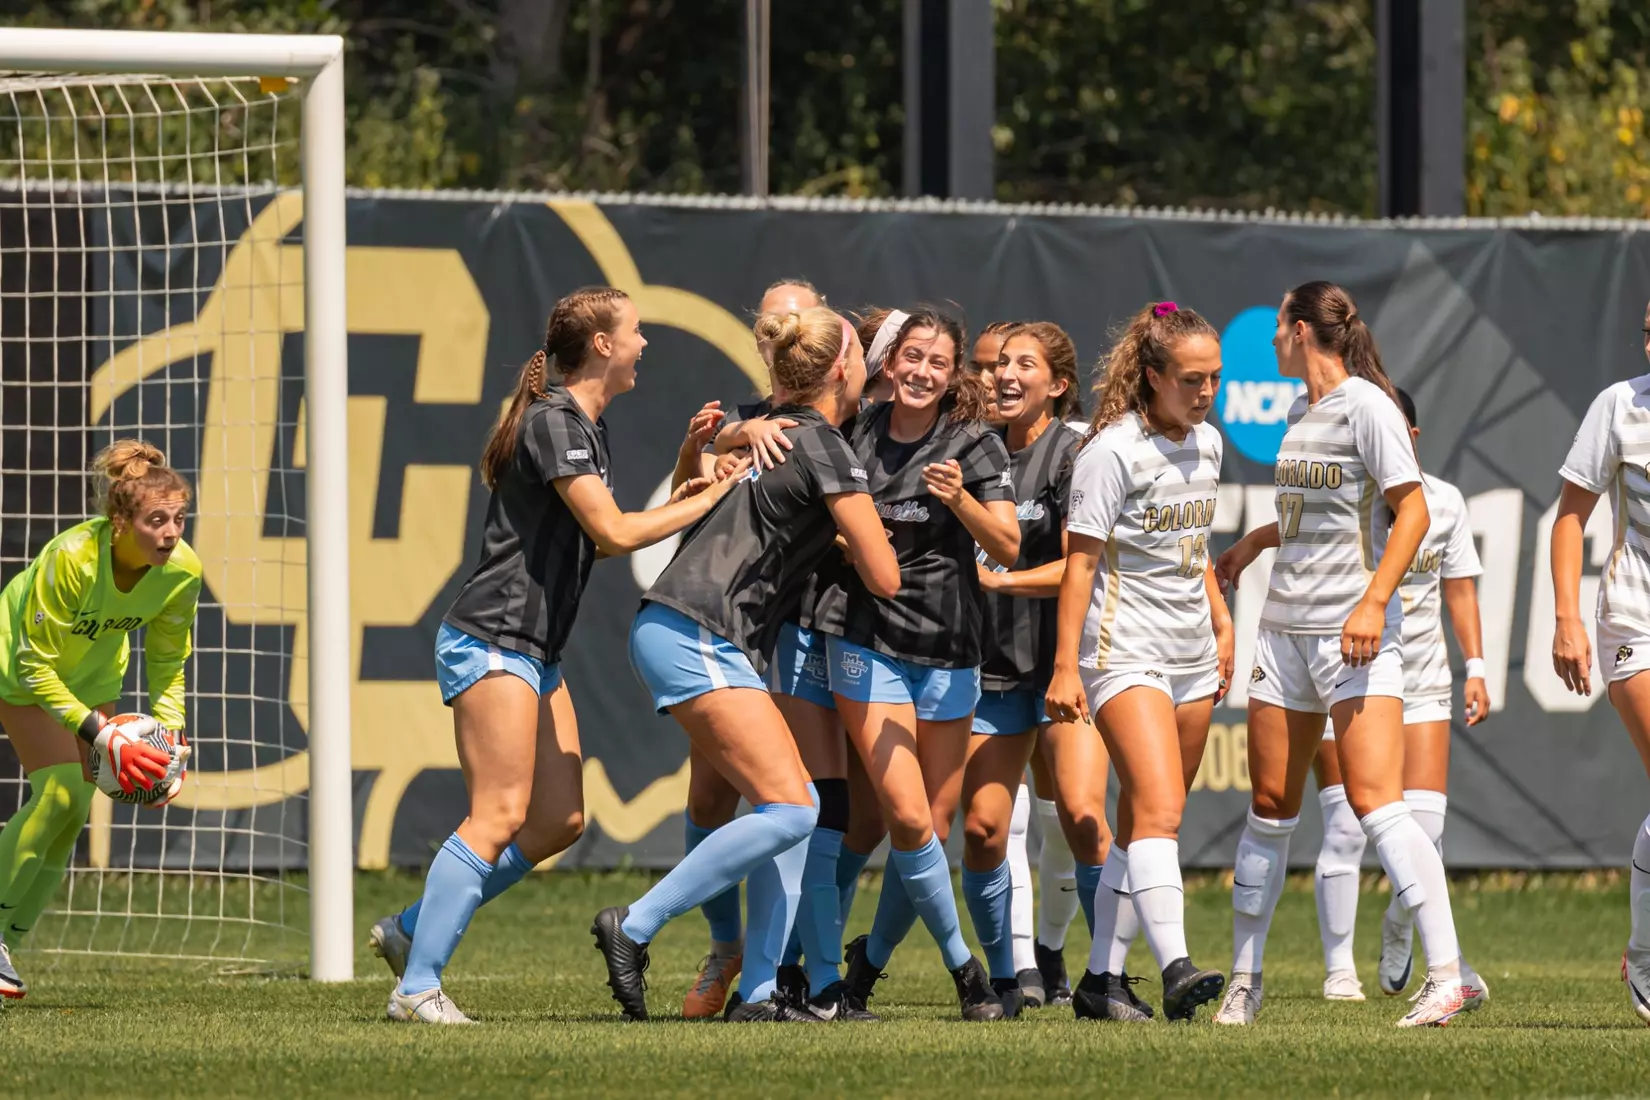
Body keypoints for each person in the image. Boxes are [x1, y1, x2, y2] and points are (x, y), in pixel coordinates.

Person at [378, 286, 745, 1025]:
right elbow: (613, 535)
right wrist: (711, 494)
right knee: (500, 814)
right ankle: (416, 987)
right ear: (602, 345)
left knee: (559, 820)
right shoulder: (555, 422)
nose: (644, 344)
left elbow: (612, 534)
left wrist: (687, 465)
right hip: (493, 638)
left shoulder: (582, 424)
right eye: (635, 332)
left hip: (533, 650)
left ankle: (414, 926)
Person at [593, 307, 899, 1022]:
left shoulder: (780, 432)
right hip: (701, 630)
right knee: (796, 807)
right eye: (861, 359)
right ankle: (634, 926)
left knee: (783, 805)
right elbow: (885, 577)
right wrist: (863, 540)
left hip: (686, 628)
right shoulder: (824, 447)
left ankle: (759, 992)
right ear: (841, 371)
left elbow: (725, 449)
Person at [1212, 281, 1466, 1028]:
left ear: (1298, 330)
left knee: (1375, 803)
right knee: (1268, 806)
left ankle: (1447, 974)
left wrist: (1374, 601)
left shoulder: (1369, 406)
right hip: (1281, 632)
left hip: (1350, 634)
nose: (1270, 343)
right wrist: (1257, 541)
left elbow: (1412, 509)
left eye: (1278, 327)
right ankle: (1244, 982)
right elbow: (1308, 518)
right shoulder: (1300, 411)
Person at [811, 309, 1021, 1021]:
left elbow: (1012, 544)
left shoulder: (974, 444)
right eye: (912, 357)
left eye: (937, 361)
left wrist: (960, 498)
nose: (922, 371)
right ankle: (967, 974)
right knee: (904, 815)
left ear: (954, 372)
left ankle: (855, 971)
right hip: (867, 639)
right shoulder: (853, 431)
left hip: (952, 648)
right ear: (889, 361)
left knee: (925, 824)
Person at [1043, 301, 1231, 1023]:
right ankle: (1177, 963)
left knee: (1146, 824)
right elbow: (1079, 566)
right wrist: (1066, 667)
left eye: (1213, 378)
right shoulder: (1111, 451)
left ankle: (1100, 981)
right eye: (1191, 379)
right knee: (1159, 809)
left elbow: (1196, 551)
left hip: (1190, 652)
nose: (1205, 392)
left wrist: (1219, 618)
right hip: (1122, 651)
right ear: (1151, 376)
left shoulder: (1208, 444)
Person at [674, 276, 827, 1020]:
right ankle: (728, 948)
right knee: (711, 800)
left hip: (800, 634)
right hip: (732, 630)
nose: (780, 331)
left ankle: (775, 974)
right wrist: (709, 445)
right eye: (770, 321)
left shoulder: (832, 415)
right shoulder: (736, 419)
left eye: (794, 318)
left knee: (791, 800)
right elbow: (685, 510)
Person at [1310, 387, 1491, 1007]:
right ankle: (1339, 971)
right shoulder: (1340, 499)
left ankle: (1402, 922)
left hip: (1422, 677)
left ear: (1409, 436)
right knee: (1345, 826)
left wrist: (1479, 667)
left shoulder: (1442, 502)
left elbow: (1461, 589)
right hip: (1348, 666)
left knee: (1427, 828)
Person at [0, 440, 201, 999]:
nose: (171, 532)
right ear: (118, 522)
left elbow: (166, 660)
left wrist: (170, 736)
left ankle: (7, 941)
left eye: (179, 518)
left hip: (91, 677)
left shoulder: (181, 572)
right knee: (62, 790)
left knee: (74, 811)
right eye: (156, 520)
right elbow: (34, 665)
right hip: (21, 664)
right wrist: (103, 733)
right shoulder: (72, 558)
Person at [959, 321, 1097, 1013]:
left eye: (1022, 365)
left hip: (1062, 664)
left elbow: (1083, 565)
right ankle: (1013, 970)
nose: (1003, 376)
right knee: (989, 827)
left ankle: (1061, 953)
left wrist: (1002, 582)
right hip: (989, 664)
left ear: (1059, 384)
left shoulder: (1075, 451)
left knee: (1069, 815)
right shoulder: (971, 450)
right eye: (996, 365)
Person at [1550, 297, 1650, 1027]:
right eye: (1649, 329)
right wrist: (1565, 620)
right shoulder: (1619, 407)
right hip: (1633, 620)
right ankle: (1646, 960)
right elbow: (1569, 518)